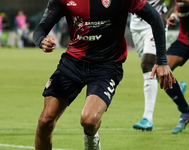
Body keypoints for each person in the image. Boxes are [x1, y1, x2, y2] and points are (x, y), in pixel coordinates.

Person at [32, 0, 175, 149]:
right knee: (45, 121)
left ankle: (92, 139)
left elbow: (155, 17)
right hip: (72, 63)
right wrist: (42, 41)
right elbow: (41, 28)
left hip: (106, 66)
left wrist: (162, 61)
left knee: (89, 120)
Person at [130, 0, 176, 131]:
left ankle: (147, 118)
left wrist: (166, 16)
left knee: (147, 64)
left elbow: (174, 2)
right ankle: (175, 87)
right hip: (136, 28)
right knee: (150, 72)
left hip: (154, 25)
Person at [166, 0, 189, 134]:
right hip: (184, 40)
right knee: (163, 72)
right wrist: (174, 15)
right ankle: (185, 111)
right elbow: (177, 7)